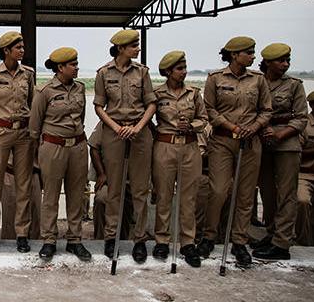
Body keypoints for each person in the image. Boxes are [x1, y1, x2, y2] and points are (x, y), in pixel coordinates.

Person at [197, 36, 272, 267]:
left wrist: (255, 127)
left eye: (253, 52)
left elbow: (266, 110)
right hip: (223, 141)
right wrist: (233, 127)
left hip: (250, 142)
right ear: (234, 55)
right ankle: (209, 236)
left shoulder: (258, 80)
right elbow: (209, 109)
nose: (253, 56)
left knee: (245, 194)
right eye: (248, 53)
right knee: (218, 191)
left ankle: (239, 241)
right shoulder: (215, 79)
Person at [93, 29, 156, 263]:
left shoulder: (142, 72)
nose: (137, 49)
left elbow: (151, 104)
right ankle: (111, 238)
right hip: (114, 133)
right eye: (133, 45)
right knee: (114, 189)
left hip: (139, 133)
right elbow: (99, 106)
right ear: (121, 48)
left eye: (137, 45)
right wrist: (116, 127)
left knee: (140, 190)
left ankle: (139, 240)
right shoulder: (103, 73)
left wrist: (139, 127)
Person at [30, 47, 91, 261]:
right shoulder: (44, 91)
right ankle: (49, 240)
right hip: (53, 147)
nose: (76, 67)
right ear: (60, 67)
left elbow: (81, 117)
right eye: (72, 64)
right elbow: (34, 126)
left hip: (78, 147)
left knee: (76, 195)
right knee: (51, 195)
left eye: (76, 63)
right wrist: (40, 153)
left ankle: (75, 240)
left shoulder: (80, 89)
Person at [151, 51, 207, 268]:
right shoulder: (157, 94)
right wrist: (157, 133)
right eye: (179, 68)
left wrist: (192, 126)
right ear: (168, 71)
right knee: (163, 195)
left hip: (190, 148)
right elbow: (147, 117)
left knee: (188, 198)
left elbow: (203, 118)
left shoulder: (194, 94)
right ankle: (162, 240)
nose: (184, 72)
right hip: (164, 147)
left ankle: (187, 243)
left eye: (184, 68)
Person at [251, 43, 307, 260]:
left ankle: (282, 243)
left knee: (286, 194)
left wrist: (279, 135)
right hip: (261, 142)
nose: (285, 64)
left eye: (287, 61)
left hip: (286, 144)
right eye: (280, 61)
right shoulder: (256, 82)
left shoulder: (294, 85)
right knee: (267, 192)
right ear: (267, 63)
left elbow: (301, 117)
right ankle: (273, 233)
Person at [0, 31, 35, 254]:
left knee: (24, 185)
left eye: (22, 47)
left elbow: (32, 103)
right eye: (18, 47)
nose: (22, 50)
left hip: (23, 134)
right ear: (6, 51)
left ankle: (22, 233)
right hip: (0, 132)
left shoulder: (28, 74)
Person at [295, 89, 314, 246]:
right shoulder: (304, 125)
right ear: (312, 105)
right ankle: (304, 242)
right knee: (302, 201)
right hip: (305, 174)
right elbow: (296, 153)